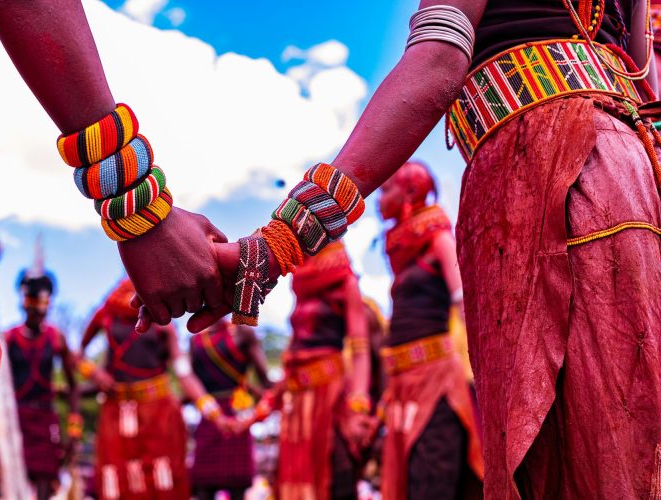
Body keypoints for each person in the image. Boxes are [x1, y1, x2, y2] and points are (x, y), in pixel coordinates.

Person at [193, 0, 661, 497]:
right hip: (629, 175)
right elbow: (643, 68)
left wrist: (276, 244)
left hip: (547, 175)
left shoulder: (425, 235)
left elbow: (437, 58)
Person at [0, 0, 232, 495]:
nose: (39, 306)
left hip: (142, 408)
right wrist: (140, 211)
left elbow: (156, 361)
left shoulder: (102, 327)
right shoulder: (48, 329)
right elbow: (81, 362)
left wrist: (76, 414)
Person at [376, 161, 483, 499]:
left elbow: (463, 299)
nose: (379, 199)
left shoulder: (438, 238)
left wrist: (484, 367)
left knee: (432, 478)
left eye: (386, 189)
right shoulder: (401, 253)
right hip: (402, 382)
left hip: (437, 381)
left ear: (410, 191)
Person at [79, 279, 235, 499]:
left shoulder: (162, 319)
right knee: (116, 477)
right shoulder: (107, 312)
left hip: (159, 415)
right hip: (115, 411)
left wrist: (214, 413)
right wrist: (94, 374)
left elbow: (184, 373)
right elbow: (78, 354)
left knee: (163, 476)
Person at [249, 242, 373, 499]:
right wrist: (269, 400)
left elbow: (360, 350)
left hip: (331, 396)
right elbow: (293, 351)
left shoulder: (345, 282)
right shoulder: (301, 285)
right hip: (297, 401)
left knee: (336, 472)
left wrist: (358, 405)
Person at [4, 267, 80, 500]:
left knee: (47, 481)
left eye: (42, 302)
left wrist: (74, 429)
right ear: (23, 302)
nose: (37, 309)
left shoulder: (56, 338)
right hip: (15, 421)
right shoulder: (9, 338)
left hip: (46, 420)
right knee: (12, 478)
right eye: (31, 299)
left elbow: (73, 386)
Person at [189, 320, 272, 500]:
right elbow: (190, 382)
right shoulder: (196, 339)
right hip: (212, 413)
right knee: (204, 484)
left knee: (237, 486)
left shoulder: (243, 332)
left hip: (236, 415)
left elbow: (265, 380)